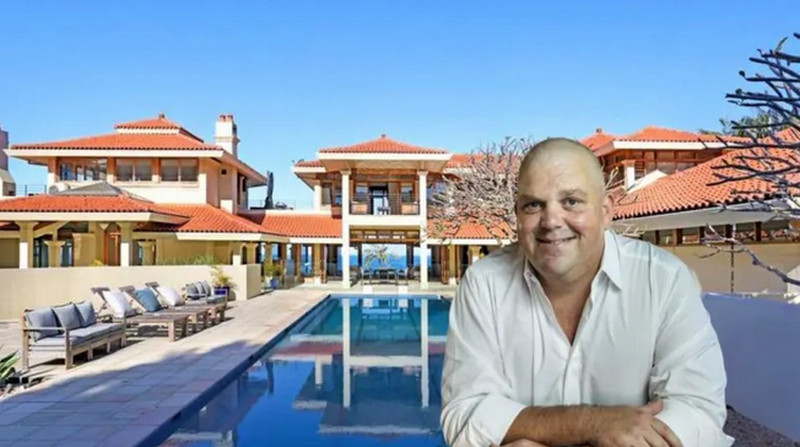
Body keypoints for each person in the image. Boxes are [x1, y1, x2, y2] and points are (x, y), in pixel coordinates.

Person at [440, 138, 733, 447]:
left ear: (606, 211)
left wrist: (531, 431)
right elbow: (465, 413)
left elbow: (698, 414)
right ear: (517, 215)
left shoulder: (663, 279)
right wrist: (592, 423)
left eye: (571, 201)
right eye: (533, 205)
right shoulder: (484, 284)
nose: (551, 221)